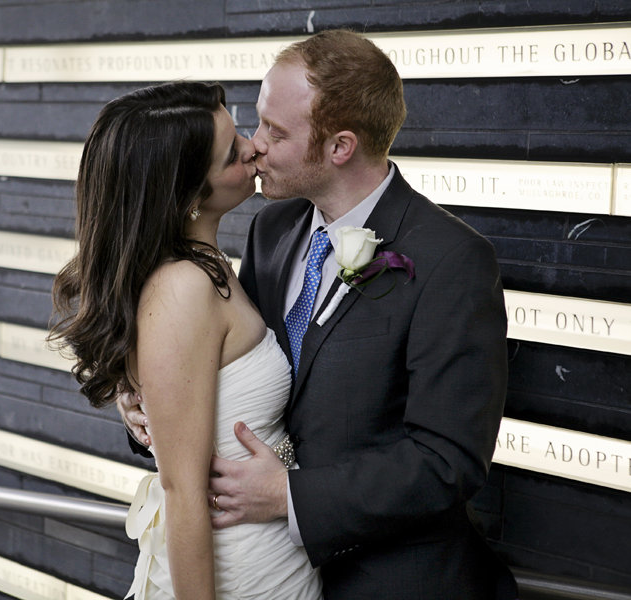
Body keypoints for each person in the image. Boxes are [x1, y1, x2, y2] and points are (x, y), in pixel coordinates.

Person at [121, 30, 518, 599]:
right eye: (256, 122)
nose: (255, 146)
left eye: (276, 133)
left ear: (340, 147)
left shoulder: (452, 260)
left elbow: (447, 461)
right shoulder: (271, 231)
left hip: (388, 582)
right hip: (262, 571)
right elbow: (231, 376)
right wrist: (146, 410)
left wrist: (288, 495)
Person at [49, 81, 322, 599]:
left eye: (238, 130)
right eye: (230, 154)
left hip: (273, 549)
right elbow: (182, 491)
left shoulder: (211, 264)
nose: (252, 147)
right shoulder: (182, 287)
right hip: (235, 569)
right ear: (187, 197)